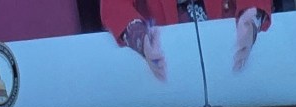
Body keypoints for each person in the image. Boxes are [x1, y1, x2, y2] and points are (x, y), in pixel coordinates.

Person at [102, 1, 271, 78]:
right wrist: (141, 38)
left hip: (230, 54)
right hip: (166, 65)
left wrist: (251, 16)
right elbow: (114, 6)